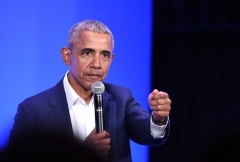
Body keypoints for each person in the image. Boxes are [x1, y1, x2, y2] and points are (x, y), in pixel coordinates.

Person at [9, 20, 171, 162]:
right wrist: (80, 153)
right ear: (67, 56)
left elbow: (148, 134)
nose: (97, 64)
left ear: (111, 59)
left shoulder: (122, 98)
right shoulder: (33, 110)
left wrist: (158, 119)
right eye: (87, 53)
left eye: (105, 55)